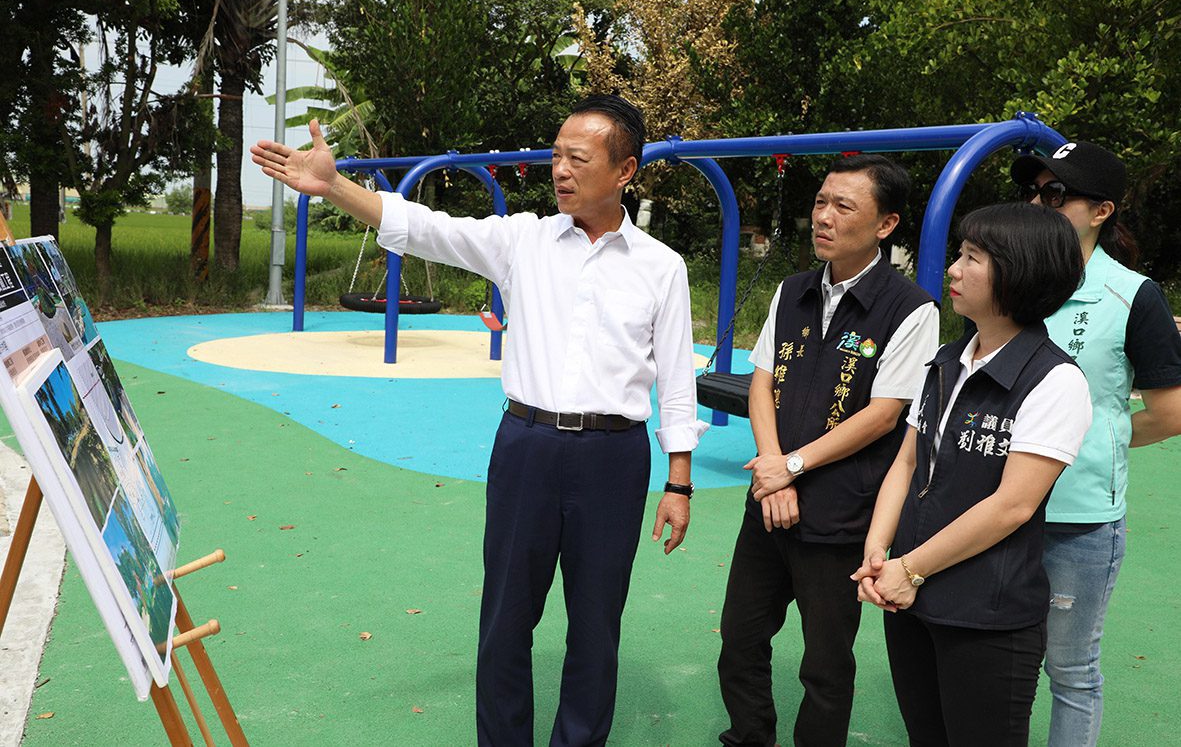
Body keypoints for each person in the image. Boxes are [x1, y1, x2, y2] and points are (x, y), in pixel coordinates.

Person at [251, 94, 708, 746]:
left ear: (625, 171)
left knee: (596, 624)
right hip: (525, 445)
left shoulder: (661, 267)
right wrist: (333, 187)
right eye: (556, 156)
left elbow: (675, 378)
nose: (560, 171)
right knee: (504, 619)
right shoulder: (522, 239)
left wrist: (679, 480)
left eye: (577, 159)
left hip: (613, 457)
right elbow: (423, 225)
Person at [717, 154, 940, 747]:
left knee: (825, 665)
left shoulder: (911, 308)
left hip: (839, 516)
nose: (824, 217)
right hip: (769, 505)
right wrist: (773, 470)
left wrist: (792, 466)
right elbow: (762, 380)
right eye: (821, 202)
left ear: (885, 225)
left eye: (844, 206)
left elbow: (883, 414)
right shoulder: (793, 291)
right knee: (738, 640)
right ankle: (748, 737)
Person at [854, 202, 1093, 745]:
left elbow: (1013, 505)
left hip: (985, 614)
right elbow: (909, 461)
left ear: (1020, 271)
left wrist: (908, 569)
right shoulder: (947, 358)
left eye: (972, 258)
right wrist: (877, 549)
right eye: (959, 254)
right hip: (909, 597)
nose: (954, 270)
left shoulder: (1054, 380)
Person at [1010, 142, 1181, 746]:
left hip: (1078, 520)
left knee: (1070, 671)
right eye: (1032, 191)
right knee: (1000, 663)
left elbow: (1171, 412)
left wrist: (1084, 440)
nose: (1037, 203)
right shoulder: (1011, 284)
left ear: (1102, 210)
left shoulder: (1133, 296)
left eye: (1055, 194)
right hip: (993, 510)